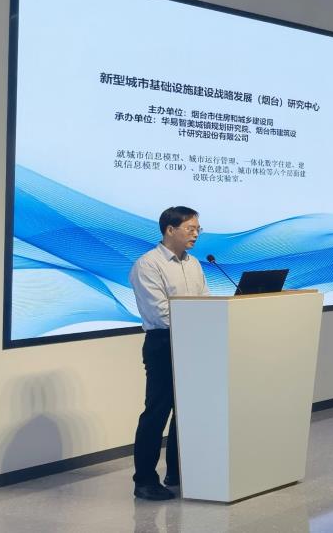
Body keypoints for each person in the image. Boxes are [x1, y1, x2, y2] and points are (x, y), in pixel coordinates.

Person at [128, 206, 210, 501]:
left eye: (198, 229)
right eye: (190, 228)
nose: (196, 234)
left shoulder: (194, 263)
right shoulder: (148, 265)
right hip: (163, 343)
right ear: (170, 229)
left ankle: (177, 472)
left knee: (186, 411)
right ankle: (144, 480)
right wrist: (198, 322)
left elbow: (205, 301)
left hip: (193, 342)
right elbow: (160, 313)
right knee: (157, 412)